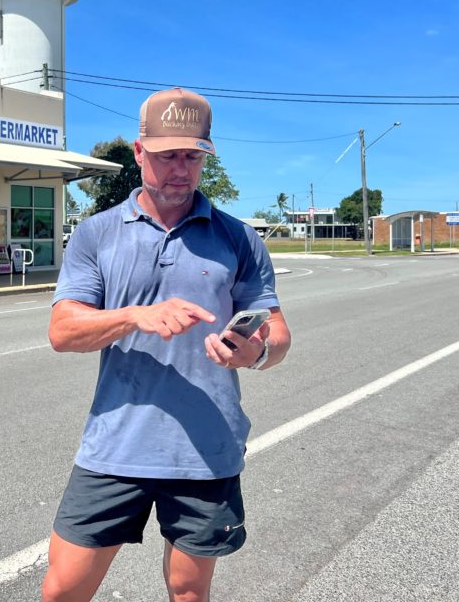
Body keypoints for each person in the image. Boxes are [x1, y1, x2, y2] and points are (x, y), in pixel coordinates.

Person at [43, 87, 292, 602]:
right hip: (114, 444)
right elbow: (63, 332)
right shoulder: (96, 235)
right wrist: (136, 316)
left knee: (188, 590)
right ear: (139, 153)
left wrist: (256, 351)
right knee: (62, 590)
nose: (180, 169)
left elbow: (278, 334)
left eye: (192, 156)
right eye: (166, 156)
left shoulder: (239, 238)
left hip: (206, 448)